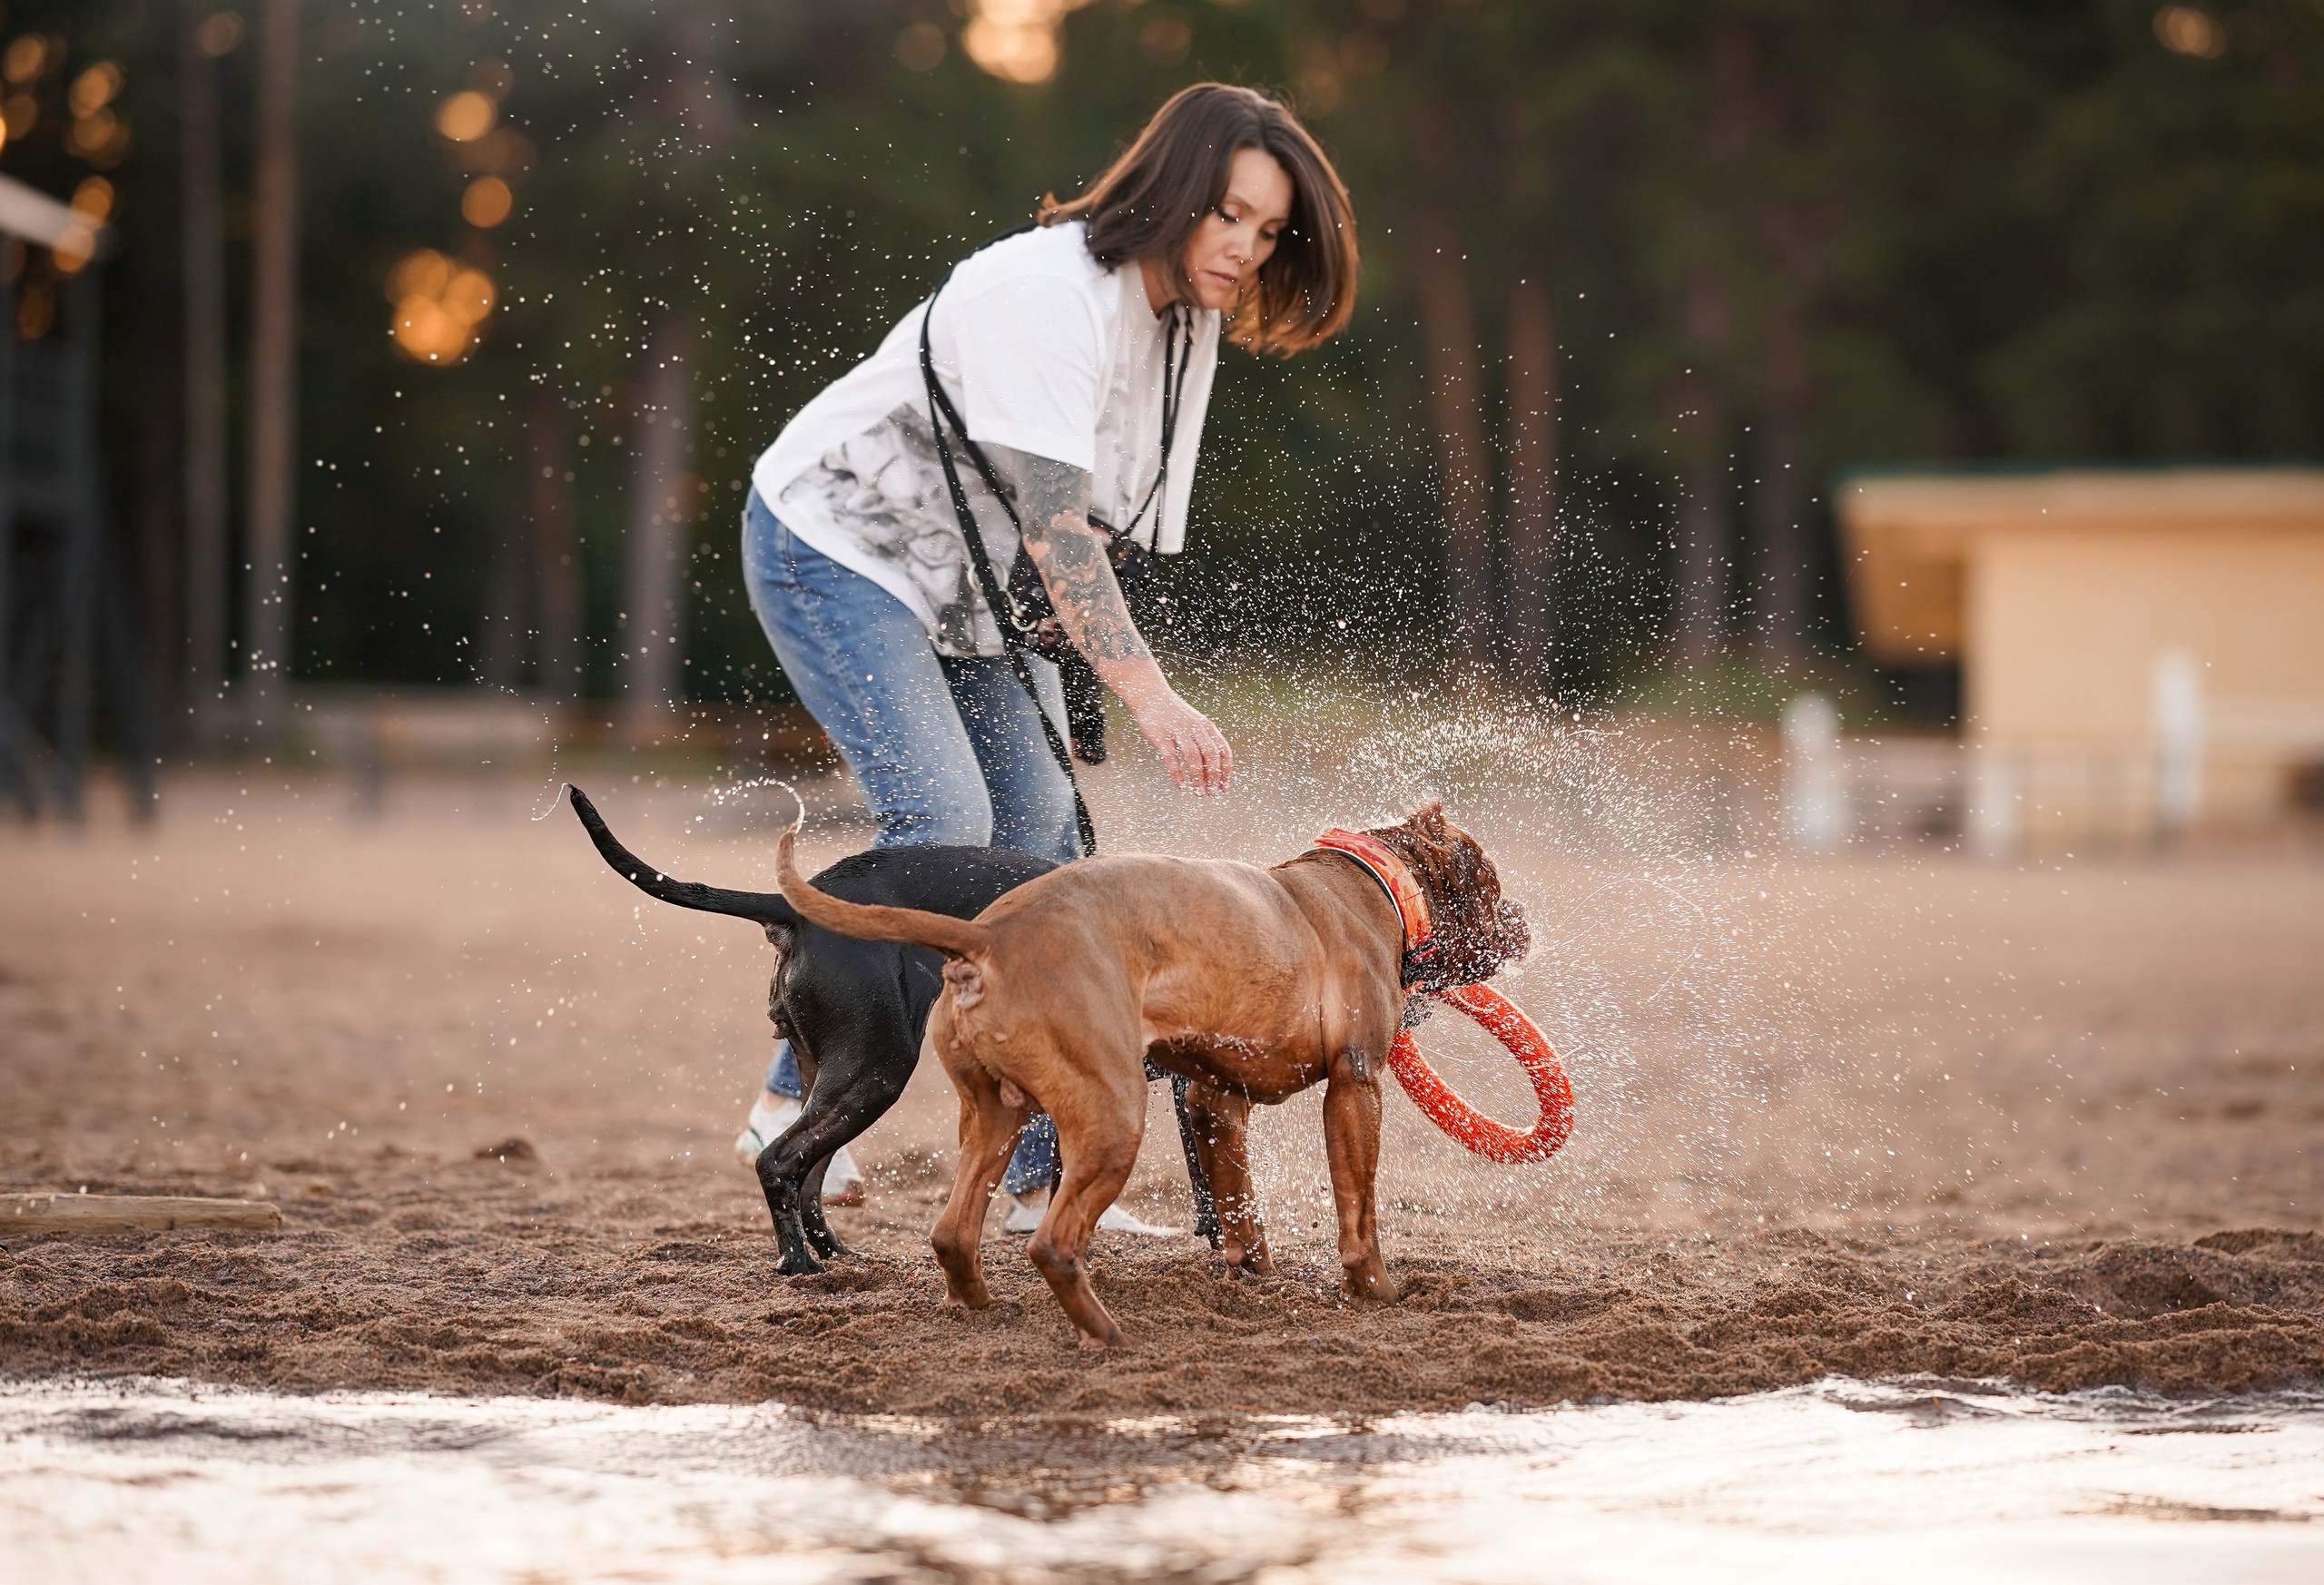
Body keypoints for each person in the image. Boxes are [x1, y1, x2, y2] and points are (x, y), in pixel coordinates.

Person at [731, 83, 1360, 1229]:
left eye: (1268, 233)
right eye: (1228, 214)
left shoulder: (1184, 327)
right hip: (837, 545)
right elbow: (1055, 525)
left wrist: (1061, 678)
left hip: (969, 596)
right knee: (946, 821)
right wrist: (1151, 696)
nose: (1245, 249)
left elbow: (1097, 529)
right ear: (1170, 190)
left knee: (1044, 863)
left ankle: (1038, 1183)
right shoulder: (1044, 292)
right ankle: (791, 1101)